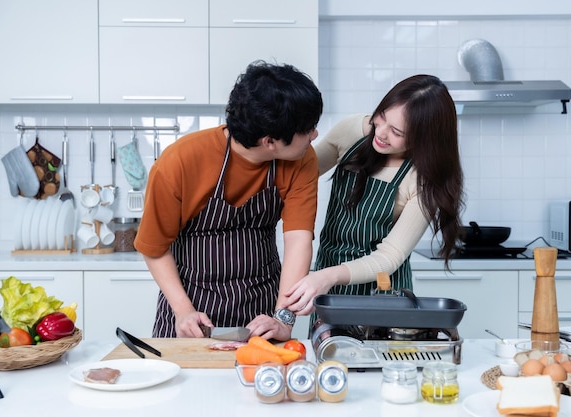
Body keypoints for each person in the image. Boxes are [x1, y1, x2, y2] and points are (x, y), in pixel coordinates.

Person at [134, 61, 323, 341]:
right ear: (269, 141)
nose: (315, 135)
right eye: (308, 129)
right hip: (191, 307)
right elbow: (154, 247)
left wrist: (283, 319)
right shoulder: (179, 163)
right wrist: (183, 309)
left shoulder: (301, 159)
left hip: (262, 311)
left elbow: (298, 240)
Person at [283, 74, 464, 317]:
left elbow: (390, 256)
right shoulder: (351, 132)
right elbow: (298, 176)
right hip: (328, 289)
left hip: (383, 295)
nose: (380, 132)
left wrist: (327, 276)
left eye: (397, 131)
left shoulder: (424, 179)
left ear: (423, 138)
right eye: (381, 117)